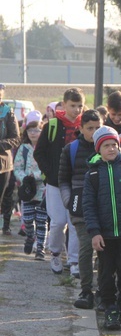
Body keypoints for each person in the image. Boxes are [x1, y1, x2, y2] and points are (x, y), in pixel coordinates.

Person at [83, 126, 121, 331]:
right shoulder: (93, 174)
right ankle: (110, 308)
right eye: (106, 145)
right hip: (104, 235)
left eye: (114, 144)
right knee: (105, 275)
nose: (111, 148)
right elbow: (89, 205)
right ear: (99, 149)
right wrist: (94, 232)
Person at [35, 88, 84, 274]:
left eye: (80, 106)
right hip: (55, 182)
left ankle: (73, 261)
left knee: (74, 223)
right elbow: (39, 152)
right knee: (58, 221)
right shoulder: (53, 125)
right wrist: (50, 172)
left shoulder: (84, 126)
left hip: (77, 183)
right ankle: (55, 253)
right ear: (64, 105)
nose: (77, 110)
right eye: (73, 106)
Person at [59, 109, 102, 308]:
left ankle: (103, 289)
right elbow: (63, 180)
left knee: (105, 249)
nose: (94, 132)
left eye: (98, 128)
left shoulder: (108, 146)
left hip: (103, 207)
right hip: (80, 207)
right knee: (86, 247)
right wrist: (69, 201)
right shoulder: (71, 149)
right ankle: (86, 290)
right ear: (81, 128)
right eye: (90, 128)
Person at [13, 120, 46, 260]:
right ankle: (30, 237)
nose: (33, 133)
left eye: (36, 130)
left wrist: (37, 176)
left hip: (42, 188)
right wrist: (24, 178)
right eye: (30, 130)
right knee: (27, 219)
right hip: (26, 189)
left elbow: (47, 168)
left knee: (41, 220)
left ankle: (40, 249)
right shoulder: (24, 148)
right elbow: (17, 167)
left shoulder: (45, 148)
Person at [0, 83, 21, 236]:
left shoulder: (8, 113)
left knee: (4, 196)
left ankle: (5, 225)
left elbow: (15, 139)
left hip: (3, 163)